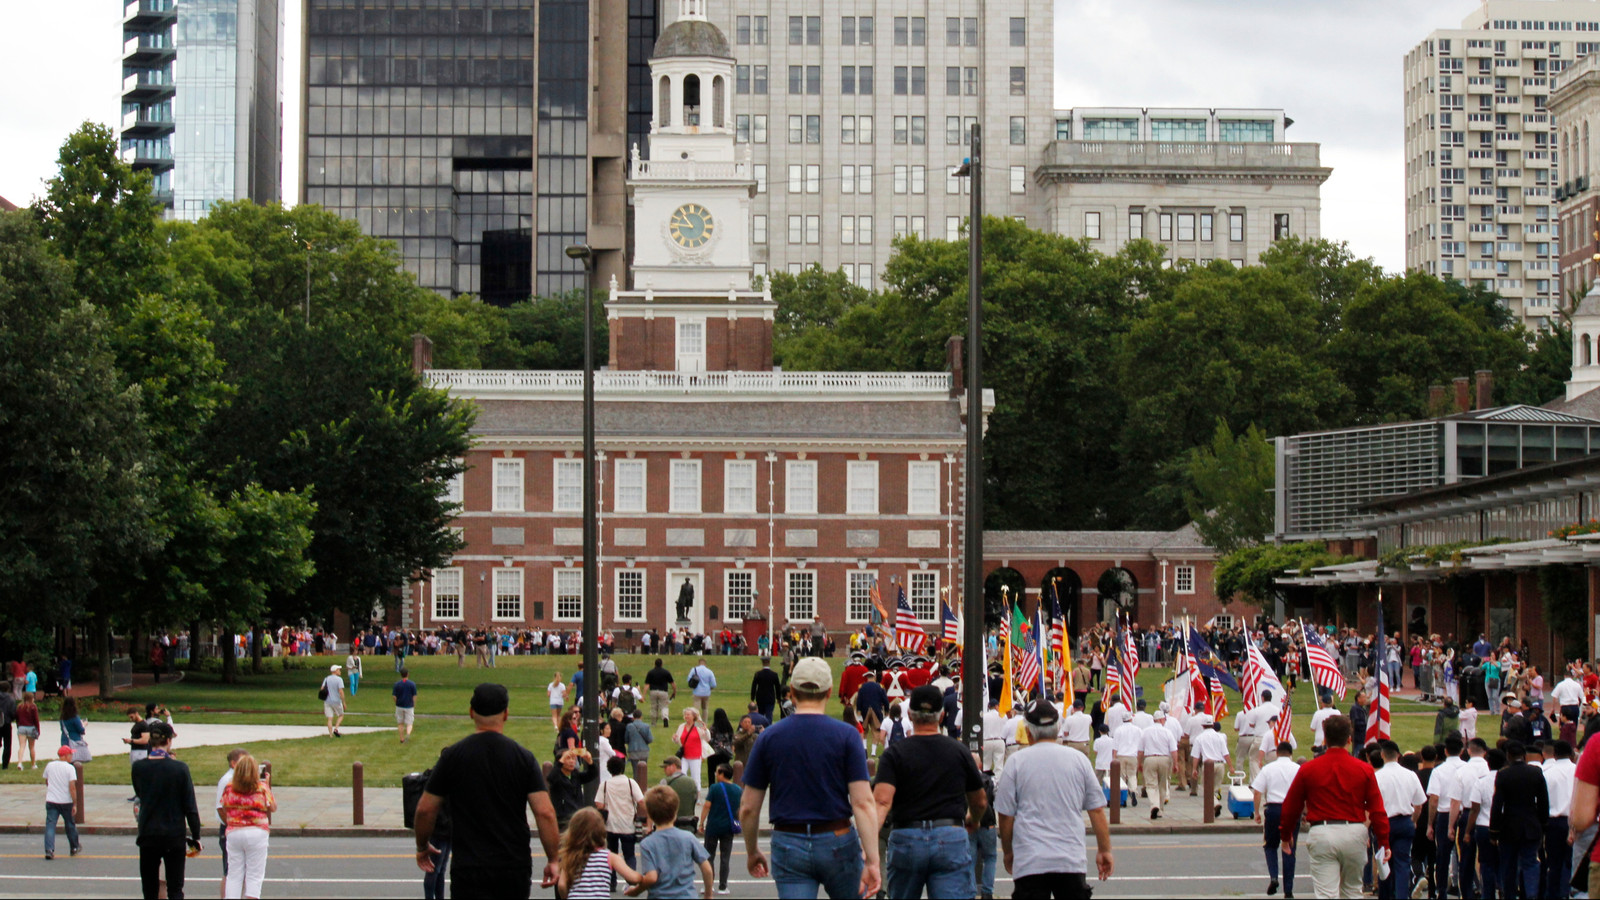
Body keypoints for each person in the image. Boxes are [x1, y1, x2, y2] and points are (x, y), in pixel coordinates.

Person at [738, 656, 882, 898]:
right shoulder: (847, 736)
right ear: (829, 692)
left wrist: (752, 850)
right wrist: (873, 860)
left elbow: (748, 807)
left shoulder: (770, 737)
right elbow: (863, 803)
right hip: (836, 835)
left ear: (792, 693)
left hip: (789, 837)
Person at [414, 683, 562, 898]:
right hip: (513, 866)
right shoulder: (523, 758)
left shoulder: (452, 757)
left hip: (469, 867)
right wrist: (552, 859)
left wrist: (422, 845)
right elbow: (545, 813)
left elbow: (425, 809)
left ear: (471, 712)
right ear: (506, 714)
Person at [871, 684, 984, 898]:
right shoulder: (959, 751)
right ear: (941, 716)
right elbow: (979, 800)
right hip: (949, 833)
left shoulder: (894, 754)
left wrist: (869, 848)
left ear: (910, 716)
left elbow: (881, 802)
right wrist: (974, 819)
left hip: (907, 834)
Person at [995, 699, 1114, 899]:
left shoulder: (1015, 762)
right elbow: (1096, 810)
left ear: (1028, 731)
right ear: (1058, 727)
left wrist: (1008, 852)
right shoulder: (1079, 760)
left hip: (1030, 860)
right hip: (1070, 860)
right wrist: (1104, 849)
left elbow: (1006, 816)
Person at [1278, 714, 1390, 900]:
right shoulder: (1364, 769)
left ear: (1325, 739)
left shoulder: (1308, 769)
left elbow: (1291, 806)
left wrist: (1285, 834)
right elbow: (1377, 810)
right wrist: (1384, 841)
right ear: (1349, 739)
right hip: (1354, 832)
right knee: (1352, 891)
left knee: (1326, 894)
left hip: (1322, 832)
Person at [132, 722, 203, 900]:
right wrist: (196, 835)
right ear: (169, 741)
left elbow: (139, 793)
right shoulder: (180, 769)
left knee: (149, 888)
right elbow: (189, 805)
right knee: (175, 887)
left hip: (148, 831)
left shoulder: (139, 768)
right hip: (173, 833)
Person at [1491, 739, 1549, 898]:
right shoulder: (1535, 773)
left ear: (1508, 756)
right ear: (1524, 755)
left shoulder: (1503, 774)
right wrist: (1543, 824)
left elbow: (1497, 804)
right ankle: (1531, 895)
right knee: (1530, 862)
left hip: (1509, 826)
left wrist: (1493, 831)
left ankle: (1510, 895)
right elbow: (1543, 802)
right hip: (1531, 824)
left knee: (1509, 865)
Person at [636, 784, 714, 899]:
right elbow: (707, 869)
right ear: (675, 813)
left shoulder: (647, 843)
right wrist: (708, 895)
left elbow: (651, 877)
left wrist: (636, 890)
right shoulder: (688, 837)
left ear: (650, 815)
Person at [220, 752, 276, 899]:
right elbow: (273, 807)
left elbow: (224, 807)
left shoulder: (229, 788)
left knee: (234, 875)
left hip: (234, 831)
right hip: (257, 831)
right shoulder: (261, 787)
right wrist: (267, 785)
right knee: (254, 876)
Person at [1374, 740, 1425, 900]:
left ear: (1382, 755)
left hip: (1385, 822)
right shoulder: (1410, 775)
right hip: (1405, 820)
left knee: (1384, 863)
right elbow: (1419, 804)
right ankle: (1402, 895)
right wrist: (1413, 821)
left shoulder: (1378, 776)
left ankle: (1386, 895)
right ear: (1398, 755)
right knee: (1403, 863)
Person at [557, 806, 643, 899]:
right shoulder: (609, 857)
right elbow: (633, 878)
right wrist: (645, 879)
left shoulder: (570, 856)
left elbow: (562, 885)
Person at [1251, 741, 1299, 900]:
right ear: (1291, 754)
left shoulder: (1268, 768)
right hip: (1292, 810)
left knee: (1270, 846)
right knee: (1290, 848)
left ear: (1277, 753)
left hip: (1274, 809)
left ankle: (1273, 876)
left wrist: (1256, 812)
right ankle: (1289, 890)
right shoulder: (1297, 769)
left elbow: (1257, 792)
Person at [596, 756, 646, 891]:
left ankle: (611, 883)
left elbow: (599, 804)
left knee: (611, 855)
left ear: (609, 769)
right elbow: (641, 801)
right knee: (629, 855)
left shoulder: (605, 784)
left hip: (610, 825)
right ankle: (631, 881)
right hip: (628, 824)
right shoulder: (630, 783)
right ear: (623, 768)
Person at [699, 763, 743, 896]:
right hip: (728, 827)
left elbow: (707, 805)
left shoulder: (715, 788)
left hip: (713, 826)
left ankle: (709, 885)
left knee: (709, 856)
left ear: (722, 774)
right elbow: (741, 808)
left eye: (717, 772)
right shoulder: (738, 790)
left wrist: (701, 822)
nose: (715, 774)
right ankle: (723, 886)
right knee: (725, 857)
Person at [1544, 739, 1577, 899]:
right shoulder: (1577, 771)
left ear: (1554, 755)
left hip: (1554, 822)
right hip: (1574, 820)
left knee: (1554, 863)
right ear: (1571, 754)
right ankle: (1568, 893)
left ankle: (1554, 894)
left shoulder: (1548, 773)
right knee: (1572, 862)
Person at [1137, 709, 1179, 820]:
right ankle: (1160, 809)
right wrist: (1175, 764)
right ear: (1161, 720)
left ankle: (1154, 804)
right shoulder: (1167, 732)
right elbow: (1173, 750)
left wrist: (1139, 763)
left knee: (1151, 784)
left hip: (1150, 758)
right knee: (1162, 784)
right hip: (1164, 758)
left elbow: (1140, 750)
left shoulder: (1145, 731)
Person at [42, 744, 81, 861]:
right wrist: (75, 803)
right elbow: (72, 787)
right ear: (65, 756)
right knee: (70, 824)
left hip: (51, 800)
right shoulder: (70, 768)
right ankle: (74, 847)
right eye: (70, 754)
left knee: (50, 825)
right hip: (66, 801)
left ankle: (49, 849)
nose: (72, 756)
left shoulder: (50, 765)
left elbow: (47, 781)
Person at [549, 748, 598, 830]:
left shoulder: (575, 775)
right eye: (568, 758)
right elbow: (551, 777)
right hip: (563, 819)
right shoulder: (556, 776)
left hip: (578, 817)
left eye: (573, 759)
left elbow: (592, 774)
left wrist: (589, 761)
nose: (572, 761)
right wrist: (562, 759)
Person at [660, 756, 701, 831]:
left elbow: (659, 803)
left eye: (666, 767)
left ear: (673, 766)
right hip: (689, 824)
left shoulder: (666, 782)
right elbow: (695, 799)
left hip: (670, 824)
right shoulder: (692, 782)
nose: (664, 770)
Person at [674, 708, 710, 787]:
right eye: (685, 715)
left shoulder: (698, 725)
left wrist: (705, 730)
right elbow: (678, 739)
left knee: (696, 777)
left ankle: (697, 792)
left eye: (688, 715)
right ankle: (684, 790)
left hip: (695, 756)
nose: (686, 716)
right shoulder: (682, 726)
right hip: (684, 756)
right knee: (681, 774)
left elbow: (708, 738)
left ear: (694, 716)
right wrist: (675, 739)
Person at [626, 711, 654, 788]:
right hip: (644, 750)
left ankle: (635, 787)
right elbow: (650, 739)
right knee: (643, 770)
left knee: (635, 770)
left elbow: (626, 739)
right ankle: (643, 786)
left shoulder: (629, 726)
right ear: (641, 716)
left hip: (633, 750)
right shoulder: (646, 726)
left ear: (633, 717)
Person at [646, 659, 677, 728]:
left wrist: (643, 694)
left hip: (653, 691)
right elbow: (672, 683)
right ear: (662, 664)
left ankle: (653, 723)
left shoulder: (651, 672)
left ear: (655, 664)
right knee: (664, 706)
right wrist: (674, 692)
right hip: (663, 691)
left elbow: (647, 684)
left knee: (654, 707)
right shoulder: (666, 672)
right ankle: (665, 718)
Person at [750, 658, 782, 723]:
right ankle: (768, 727)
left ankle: (760, 727)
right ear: (769, 663)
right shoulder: (774, 674)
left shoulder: (758, 674)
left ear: (762, 663)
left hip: (760, 698)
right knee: (769, 715)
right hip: (770, 698)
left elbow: (754, 686)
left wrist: (752, 698)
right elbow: (777, 687)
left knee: (760, 715)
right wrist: (778, 698)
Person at [393, 668, 418, 743]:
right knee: (409, 723)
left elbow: (394, 696)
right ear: (408, 674)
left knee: (400, 723)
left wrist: (396, 703)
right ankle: (408, 734)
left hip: (399, 705)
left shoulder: (397, 684)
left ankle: (401, 738)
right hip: (409, 706)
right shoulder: (412, 684)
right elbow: (414, 695)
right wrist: (413, 703)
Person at [16, 691, 40, 769]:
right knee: (32, 747)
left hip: (21, 727)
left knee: (21, 746)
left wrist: (18, 726)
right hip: (31, 728)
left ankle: (19, 763)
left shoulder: (20, 706)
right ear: (31, 698)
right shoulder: (33, 707)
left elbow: (17, 718)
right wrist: (38, 730)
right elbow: (36, 720)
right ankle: (33, 764)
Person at [321, 665, 345, 738]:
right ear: (335, 671)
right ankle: (336, 729)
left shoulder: (326, 679)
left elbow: (322, 688)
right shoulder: (339, 679)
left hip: (327, 701)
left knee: (330, 718)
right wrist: (344, 702)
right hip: (336, 701)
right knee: (341, 715)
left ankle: (330, 735)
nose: (340, 671)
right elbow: (341, 691)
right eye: (339, 670)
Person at [0, 683, 14, 771]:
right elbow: (12, 712)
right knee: (7, 744)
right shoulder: (10, 699)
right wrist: (11, 718)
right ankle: (5, 765)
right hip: (6, 723)